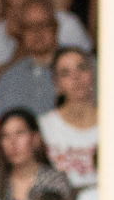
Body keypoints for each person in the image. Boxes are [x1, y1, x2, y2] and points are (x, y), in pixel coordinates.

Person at [0, 0, 92, 69]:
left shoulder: (67, 23)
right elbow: (0, 84)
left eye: (23, 4)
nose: (17, 13)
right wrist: (21, 42)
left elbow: (88, 66)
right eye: (11, 6)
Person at [0, 0, 64, 118]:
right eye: (30, 27)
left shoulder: (82, 66)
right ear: (21, 33)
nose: (37, 32)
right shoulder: (8, 79)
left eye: (43, 25)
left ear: (55, 27)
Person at [37, 49, 97, 191]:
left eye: (82, 68)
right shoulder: (44, 126)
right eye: (66, 73)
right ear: (56, 84)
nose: (76, 77)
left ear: (93, 74)